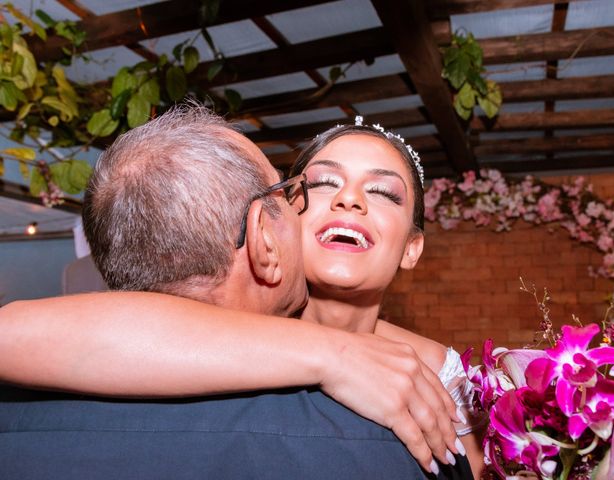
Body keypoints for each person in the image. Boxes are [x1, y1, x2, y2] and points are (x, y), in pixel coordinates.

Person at [0, 106, 482, 477]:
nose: (348, 199)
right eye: (315, 186)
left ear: (413, 247)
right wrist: (335, 353)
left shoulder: (446, 379)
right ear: (270, 236)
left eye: (383, 192)